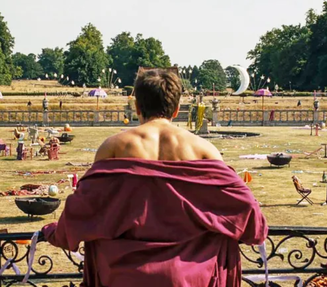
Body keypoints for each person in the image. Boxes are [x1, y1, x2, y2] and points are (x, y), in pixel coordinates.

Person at [42, 69, 267, 287]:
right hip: (191, 275)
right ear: (177, 109)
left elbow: (83, 208)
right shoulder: (203, 150)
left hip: (122, 275)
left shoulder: (114, 146)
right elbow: (248, 212)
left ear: (138, 106)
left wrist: (54, 232)